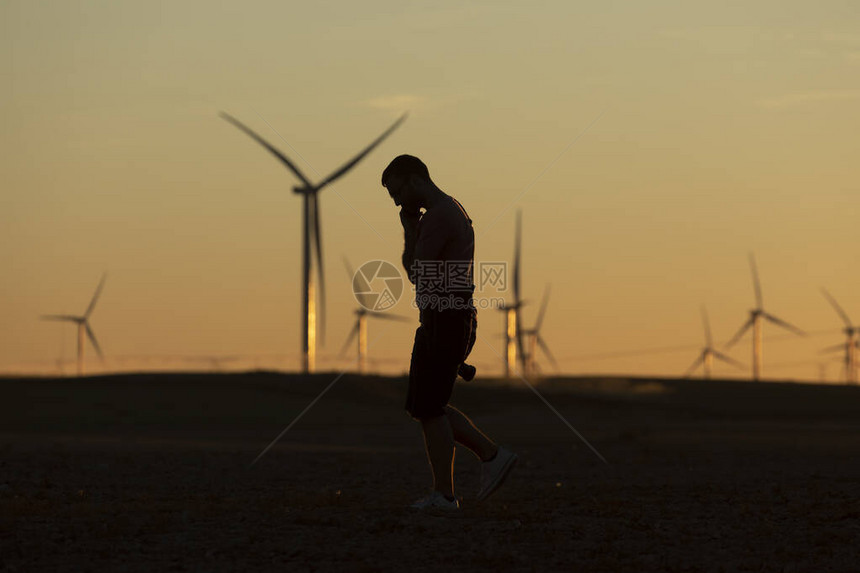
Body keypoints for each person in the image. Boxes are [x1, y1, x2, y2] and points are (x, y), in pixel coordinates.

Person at [381, 154, 517, 512]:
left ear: (414, 180)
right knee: (425, 406)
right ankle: (490, 458)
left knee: (429, 406)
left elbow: (415, 271)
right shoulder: (447, 211)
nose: (397, 202)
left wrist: (410, 229)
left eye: (397, 192)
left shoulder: (440, 216)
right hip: (442, 318)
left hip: (446, 319)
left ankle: (448, 492)